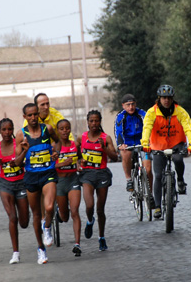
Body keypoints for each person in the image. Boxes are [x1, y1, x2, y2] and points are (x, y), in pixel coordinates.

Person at [141, 85, 191, 219]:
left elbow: (188, 127)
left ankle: (180, 180)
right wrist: (145, 143)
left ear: (172, 99)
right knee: (158, 175)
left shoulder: (180, 111)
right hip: (158, 145)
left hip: (176, 143)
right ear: (159, 99)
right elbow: (147, 127)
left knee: (178, 160)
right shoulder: (152, 112)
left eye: (169, 98)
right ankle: (158, 207)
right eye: (164, 98)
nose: (166, 100)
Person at [15, 103, 59, 264]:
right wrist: (25, 150)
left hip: (48, 173)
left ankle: (46, 227)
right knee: (36, 214)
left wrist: (56, 152)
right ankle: (41, 249)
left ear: (38, 114)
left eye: (35, 114)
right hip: (31, 177)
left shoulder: (47, 129)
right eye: (30, 115)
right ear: (25, 117)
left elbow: (58, 142)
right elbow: (17, 163)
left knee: (49, 207)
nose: (33, 118)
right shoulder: (21, 135)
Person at [0, 118, 29, 264]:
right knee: (12, 217)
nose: (7, 132)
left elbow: (24, 160)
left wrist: (22, 156)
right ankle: (15, 253)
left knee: (24, 222)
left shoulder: (18, 145)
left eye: (10, 129)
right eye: (4, 129)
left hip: (21, 183)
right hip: (5, 184)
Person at [79, 110, 117, 251]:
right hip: (87, 174)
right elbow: (73, 153)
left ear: (100, 122)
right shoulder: (81, 138)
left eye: (96, 121)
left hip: (102, 174)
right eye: (91, 121)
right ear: (87, 122)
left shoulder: (105, 138)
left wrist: (104, 148)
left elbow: (115, 157)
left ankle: (101, 237)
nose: (94, 124)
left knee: (100, 209)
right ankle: (90, 221)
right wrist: (78, 162)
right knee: (89, 206)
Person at [53, 119, 83, 256]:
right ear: (57, 131)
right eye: (62, 128)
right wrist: (63, 163)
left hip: (73, 180)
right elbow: (49, 166)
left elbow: (80, 158)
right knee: (65, 217)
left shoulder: (74, 145)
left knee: (75, 211)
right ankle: (59, 211)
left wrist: (80, 163)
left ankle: (77, 244)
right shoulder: (54, 146)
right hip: (59, 182)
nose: (65, 131)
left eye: (67, 128)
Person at [114, 94, 152, 193]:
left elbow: (149, 126)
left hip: (142, 142)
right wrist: (121, 144)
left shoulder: (141, 113)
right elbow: (118, 132)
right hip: (128, 143)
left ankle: (150, 194)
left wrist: (150, 140)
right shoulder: (121, 116)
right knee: (125, 153)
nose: (131, 107)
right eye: (128, 105)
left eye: (133, 104)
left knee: (148, 170)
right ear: (123, 106)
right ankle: (129, 180)